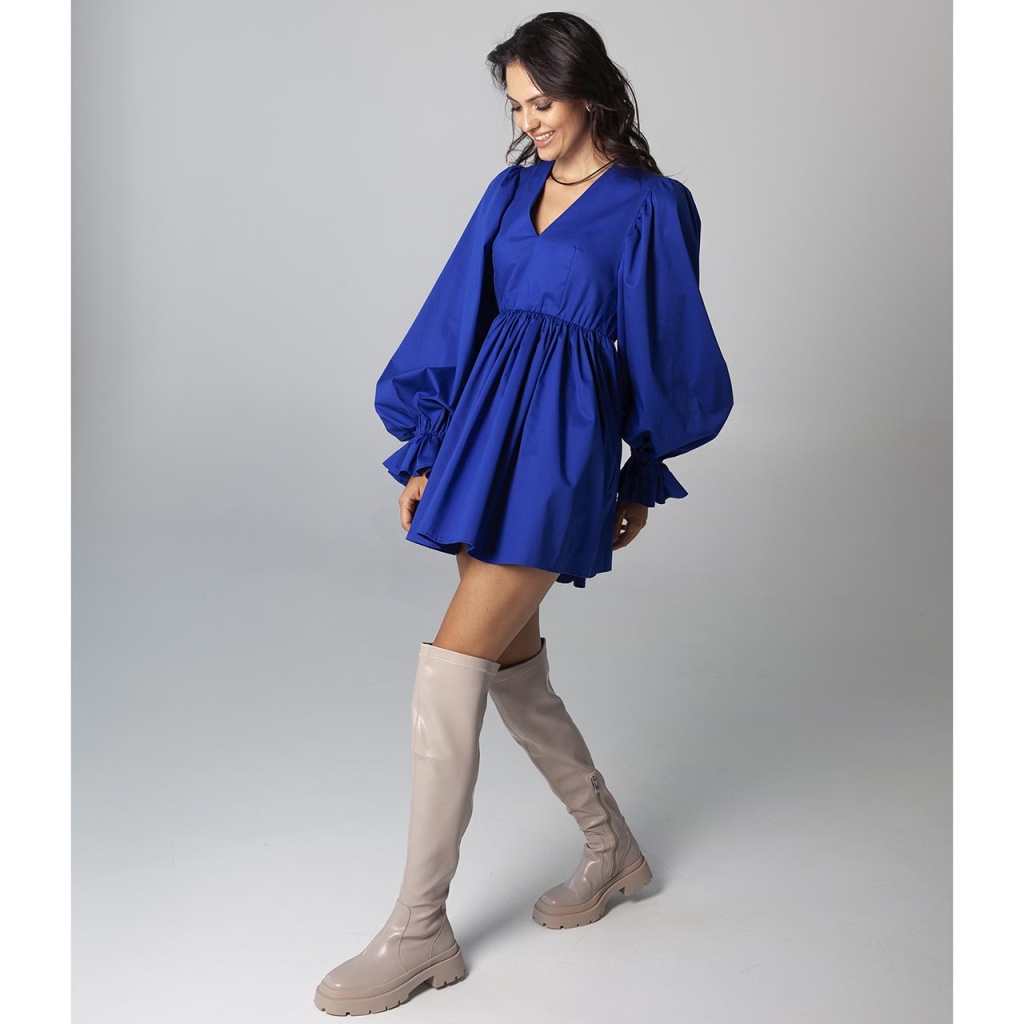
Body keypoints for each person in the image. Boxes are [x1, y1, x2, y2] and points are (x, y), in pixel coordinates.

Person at [313, 11, 733, 1016]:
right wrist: (427, 444)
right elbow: (459, 315)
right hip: (481, 440)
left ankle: (420, 927)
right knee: (509, 663)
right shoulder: (508, 192)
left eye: (541, 103)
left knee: (449, 663)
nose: (529, 123)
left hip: (560, 454)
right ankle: (611, 847)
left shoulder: (651, 206)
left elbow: (668, 346)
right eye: (515, 107)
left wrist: (638, 472)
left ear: (589, 90)